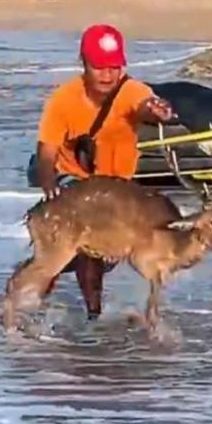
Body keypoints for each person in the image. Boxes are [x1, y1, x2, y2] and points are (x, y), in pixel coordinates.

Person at [34, 23, 174, 318]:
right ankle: (92, 318)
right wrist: (49, 186)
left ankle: (45, 270)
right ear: (82, 63)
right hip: (73, 182)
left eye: (114, 67)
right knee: (86, 250)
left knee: (97, 257)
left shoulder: (131, 91)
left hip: (117, 188)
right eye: (98, 67)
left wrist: (157, 111)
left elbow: (144, 105)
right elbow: (46, 153)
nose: (107, 76)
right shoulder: (63, 99)